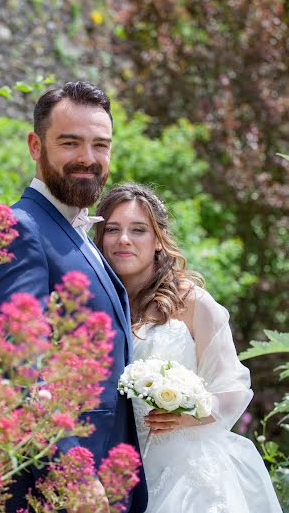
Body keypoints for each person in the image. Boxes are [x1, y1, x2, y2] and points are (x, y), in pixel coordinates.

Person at [0, 82, 148, 513]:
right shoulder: (22, 229)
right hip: (58, 489)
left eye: (100, 145)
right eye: (70, 143)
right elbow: (17, 367)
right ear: (36, 145)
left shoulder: (80, 233)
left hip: (105, 478)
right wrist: (72, 473)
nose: (88, 159)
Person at [94, 183, 282, 513]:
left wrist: (187, 413)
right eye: (113, 229)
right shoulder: (94, 302)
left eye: (138, 230)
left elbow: (233, 387)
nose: (123, 239)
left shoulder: (192, 302)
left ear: (157, 240)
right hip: (116, 469)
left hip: (187, 473)